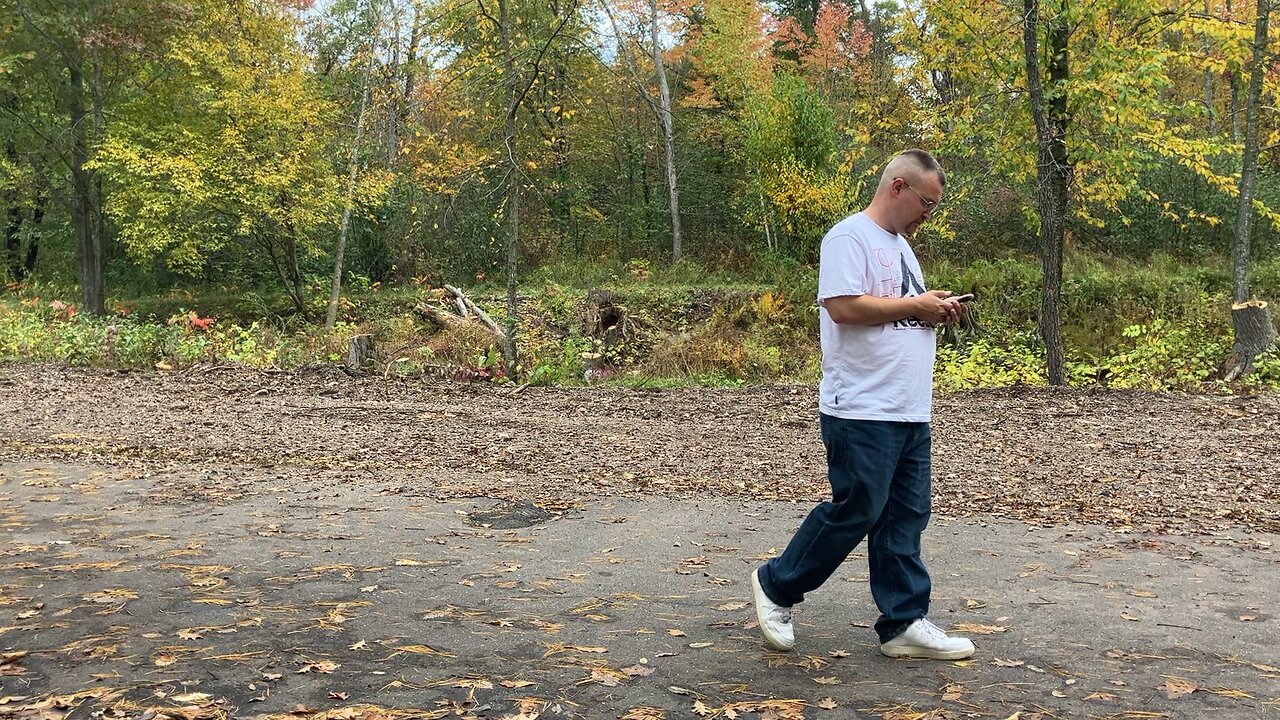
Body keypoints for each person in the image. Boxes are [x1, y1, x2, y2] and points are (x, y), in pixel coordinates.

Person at [750, 149, 975, 660]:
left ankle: (903, 622)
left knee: (906, 515)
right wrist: (916, 305)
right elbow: (844, 306)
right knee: (858, 509)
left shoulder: (900, 248)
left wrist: (931, 305)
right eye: (927, 203)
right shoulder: (849, 236)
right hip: (861, 407)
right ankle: (776, 585)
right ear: (897, 187)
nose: (928, 215)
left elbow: (894, 308)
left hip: (908, 406)